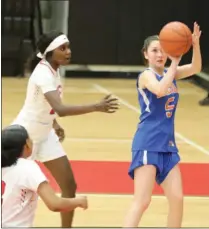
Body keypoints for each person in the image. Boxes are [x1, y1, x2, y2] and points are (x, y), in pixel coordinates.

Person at [11, 31, 119, 228]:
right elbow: (60, 109)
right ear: (51, 52)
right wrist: (95, 107)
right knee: (16, 190)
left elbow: (45, 105)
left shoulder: (55, 68)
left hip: (45, 134)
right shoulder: (43, 72)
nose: (69, 52)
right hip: (26, 137)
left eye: (68, 47)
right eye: (63, 48)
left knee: (69, 185)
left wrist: (54, 124)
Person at [123, 22, 202, 228]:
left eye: (163, 50)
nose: (160, 54)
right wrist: (174, 62)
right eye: (155, 51)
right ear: (146, 55)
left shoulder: (171, 73)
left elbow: (196, 68)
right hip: (148, 143)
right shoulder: (146, 76)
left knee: (177, 198)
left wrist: (195, 45)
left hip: (167, 145)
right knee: (142, 202)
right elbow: (159, 90)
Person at [1, 124, 88, 228]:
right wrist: (78, 201)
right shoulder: (27, 167)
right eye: (30, 139)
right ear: (26, 146)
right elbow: (54, 204)